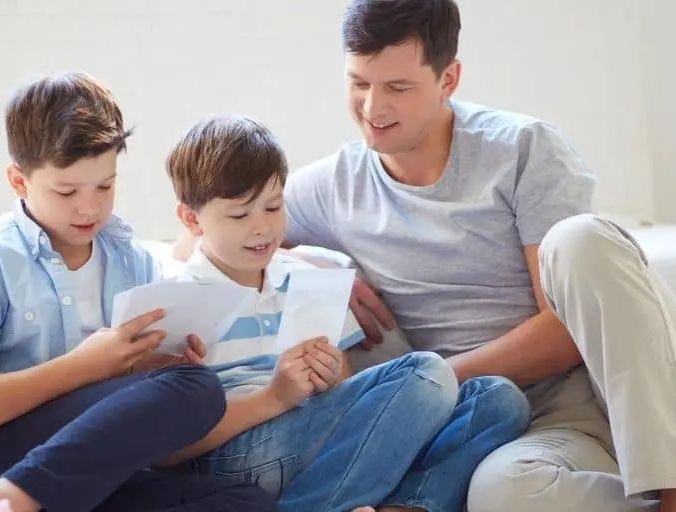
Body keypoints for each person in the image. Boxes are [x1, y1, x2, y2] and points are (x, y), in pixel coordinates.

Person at [169, 1, 676, 511]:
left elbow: (565, 326)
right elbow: (204, 239)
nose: (371, 107)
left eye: (397, 86)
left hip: (621, 381)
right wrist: (320, 264)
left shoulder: (524, 148)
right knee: (503, 496)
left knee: (581, 238)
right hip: (519, 423)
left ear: (448, 80)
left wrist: (434, 378)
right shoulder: (330, 186)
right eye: (358, 82)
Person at [0, 72, 276, 512]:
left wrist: (146, 370)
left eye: (105, 186)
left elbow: (128, 411)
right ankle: (13, 499)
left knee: (244, 500)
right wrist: (83, 367)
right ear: (18, 181)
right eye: (66, 191)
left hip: (91, 484)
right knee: (198, 388)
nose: (90, 207)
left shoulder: (131, 259)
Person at [160, 114, 531, 512]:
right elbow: (164, 451)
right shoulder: (177, 301)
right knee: (427, 373)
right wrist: (275, 396)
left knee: (499, 399)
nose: (262, 228)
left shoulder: (308, 278)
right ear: (191, 219)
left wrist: (330, 374)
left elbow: (354, 406)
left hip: (319, 444)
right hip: (238, 452)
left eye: (272, 207)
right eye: (239, 215)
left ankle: (404, 506)